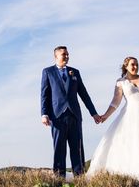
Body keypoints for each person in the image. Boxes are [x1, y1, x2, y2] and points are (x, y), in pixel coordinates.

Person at [41, 46, 101, 178]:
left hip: (74, 115)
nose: (67, 56)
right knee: (59, 148)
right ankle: (59, 178)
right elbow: (44, 95)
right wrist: (44, 114)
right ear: (56, 56)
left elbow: (84, 94)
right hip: (57, 117)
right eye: (64, 54)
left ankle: (79, 177)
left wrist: (93, 113)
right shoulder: (47, 72)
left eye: (68, 54)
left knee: (77, 148)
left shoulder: (75, 72)